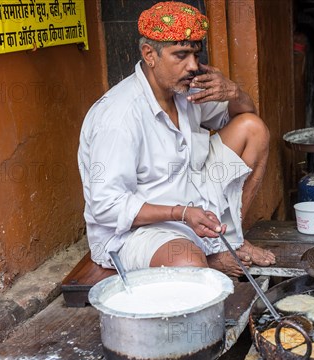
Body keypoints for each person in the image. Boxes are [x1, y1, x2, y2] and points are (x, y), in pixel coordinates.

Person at [78, 2, 276, 277]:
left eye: (195, 54)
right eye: (180, 55)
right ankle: (209, 258)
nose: (192, 66)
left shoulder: (185, 91)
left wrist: (234, 92)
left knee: (253, 128)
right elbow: (107, 207)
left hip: (190, 207)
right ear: (149, 54)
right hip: (138, 231)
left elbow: (245, 116)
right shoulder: (119, 116)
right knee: (189, 265)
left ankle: (229, 240)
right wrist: (179, 213)